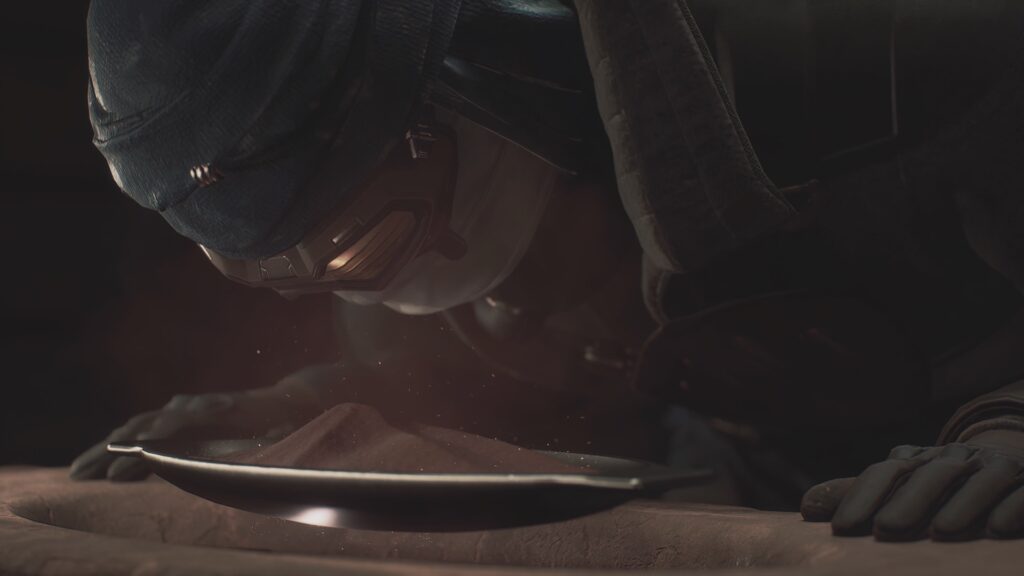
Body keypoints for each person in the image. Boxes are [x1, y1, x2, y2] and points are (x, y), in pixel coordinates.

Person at [73, 0, 1024, 542]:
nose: (350, 287)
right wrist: (324, 414)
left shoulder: (883, 56)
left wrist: (1011, 426)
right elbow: (564, 403)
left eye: (357, 247)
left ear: (469, 84)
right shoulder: (406, 228)